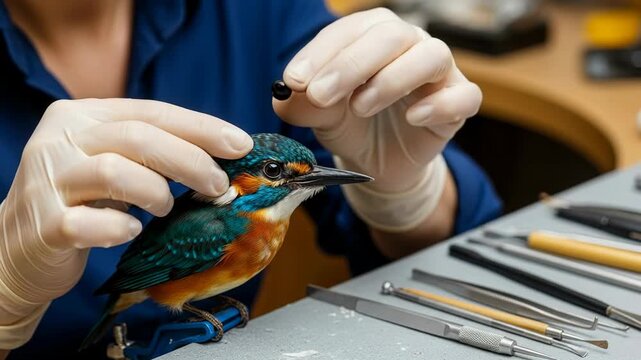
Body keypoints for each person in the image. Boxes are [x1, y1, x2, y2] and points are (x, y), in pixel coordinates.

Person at [0, 0, 501, 358]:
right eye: (275, 173)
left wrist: (408, 196)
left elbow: (463, 254)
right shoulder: (221, 229)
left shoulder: (259, 10)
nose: (289, 180)